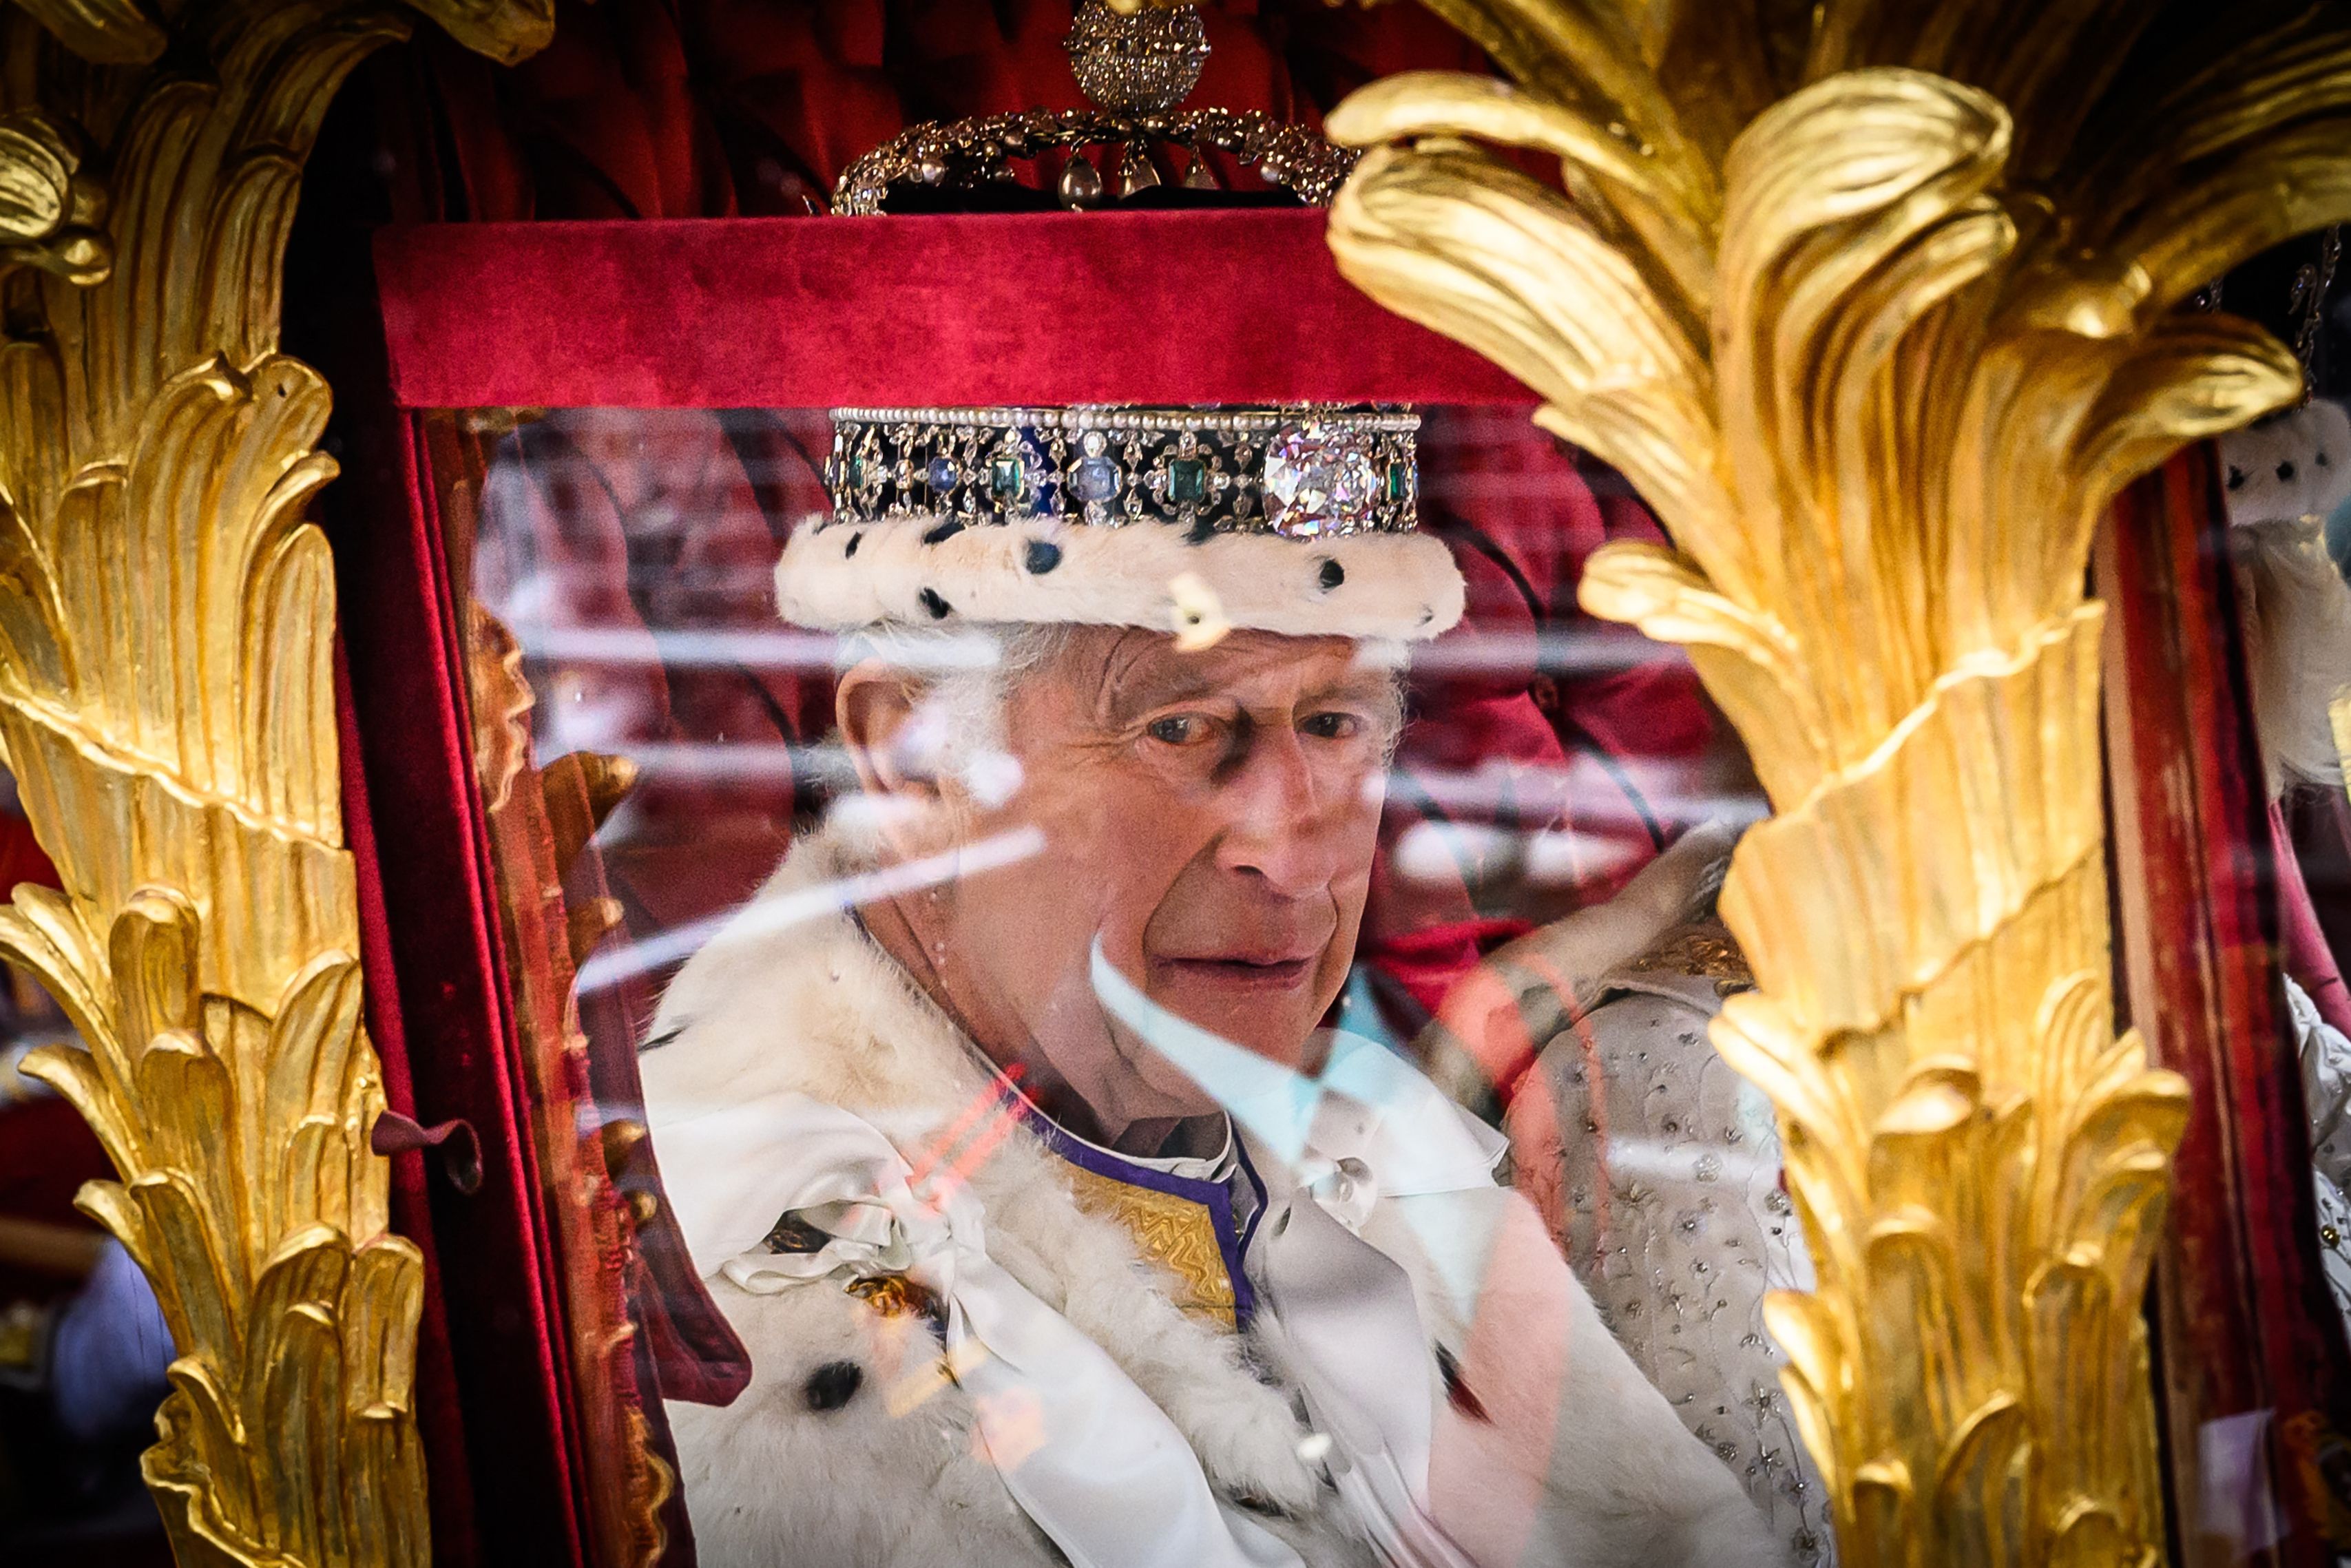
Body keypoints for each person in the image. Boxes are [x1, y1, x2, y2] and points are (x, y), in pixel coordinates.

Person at [638, 406, 1785, 1567]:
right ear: (915, 754)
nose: (1297, 857)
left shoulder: (1378, 1144)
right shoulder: (772, 1299)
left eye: (1334, 722)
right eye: (1181, 726)